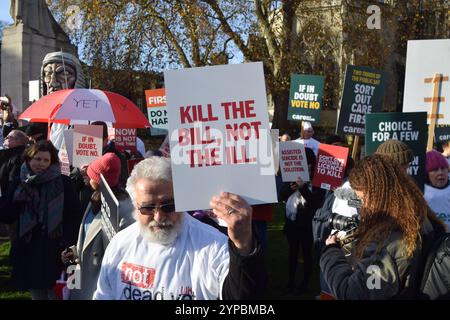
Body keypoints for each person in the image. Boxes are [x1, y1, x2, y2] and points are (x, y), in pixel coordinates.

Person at [93, 157, 266, 300]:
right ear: (134, 205)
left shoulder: (213, 246)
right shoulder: (120, 244)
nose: (159, 217)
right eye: (147, 208)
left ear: (183, 199)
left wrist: (243, 246)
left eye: (168, 206)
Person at [320, 154, 444, 299]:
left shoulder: (389, 242)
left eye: (362, 199)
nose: (362, 206)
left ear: (379, 196)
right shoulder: (418, 216)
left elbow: (352, 293)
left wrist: (330, 252)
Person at [0, 140, 82, 299]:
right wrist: (16, 201)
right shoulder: (18, 182)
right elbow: (6, 215)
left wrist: (68, 244)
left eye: (46, 160)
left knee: (57, 294)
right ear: (28, 159)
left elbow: (74, 215)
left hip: (55, 249)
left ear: (52, 162)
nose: (41, 163)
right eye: (37, 159)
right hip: (28, 249)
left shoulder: (63, 182)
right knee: (36, 293)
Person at [61, 153, 135, 300]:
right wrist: (75, 251)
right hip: (83, 274)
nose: (86, 176)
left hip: (100, 281)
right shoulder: (95, 198)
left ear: (99, 180)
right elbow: (88, 235)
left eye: (91, 174)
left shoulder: (123, 210)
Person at [280, 147, 326, 294]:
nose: (305, 167)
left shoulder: (318, 178)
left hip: (308, 223)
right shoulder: (292, 175)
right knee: (292, 252)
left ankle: (305, 282)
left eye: (307, 164)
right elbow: (282, 194)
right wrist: (292, 188)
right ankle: (290, 281)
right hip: (292, 221)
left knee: (307, 253)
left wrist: (303, 187)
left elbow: (316, 202)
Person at [41, 51, 86, 150]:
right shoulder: (44, 119)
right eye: (48, 74)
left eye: (64, 74)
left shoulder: (87, 117)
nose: (53, 83)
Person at [424, 150, 450, 230]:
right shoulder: (421, 192)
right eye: (434, 170)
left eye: (443, 168)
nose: (440, 173)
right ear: (427, 174)